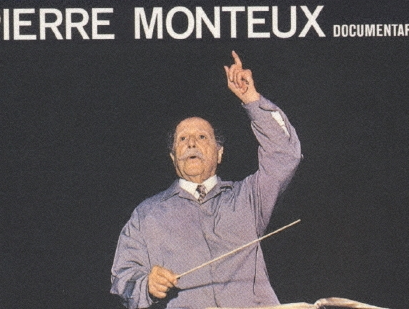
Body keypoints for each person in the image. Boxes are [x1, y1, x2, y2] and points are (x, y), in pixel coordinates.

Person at [111, 51, 302, 309]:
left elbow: (285, 155)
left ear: (219, 152)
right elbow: (122, 279)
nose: (191, 143)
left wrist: (251, 99)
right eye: (182, 139)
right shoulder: (146, 215)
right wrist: (147, 285)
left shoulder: (248, 198)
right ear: (173, 156)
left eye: (202, 137)